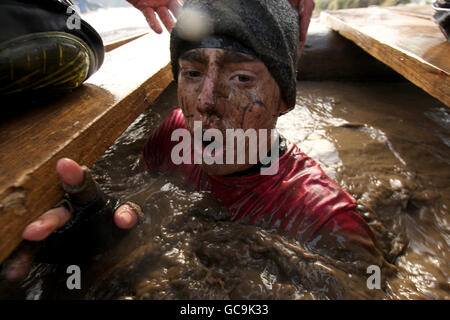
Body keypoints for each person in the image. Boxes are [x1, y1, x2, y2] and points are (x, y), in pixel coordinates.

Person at [5, 0, 390, 284]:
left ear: (285, 99)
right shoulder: (173, 134)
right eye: (191, 72)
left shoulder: (326, 220)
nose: (206, 101)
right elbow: (136, 201)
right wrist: (102, 238)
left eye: (240, 78)